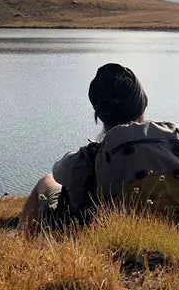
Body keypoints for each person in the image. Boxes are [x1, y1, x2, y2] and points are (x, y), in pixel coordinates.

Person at [19, 63, 152, 235]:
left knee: (46, 181)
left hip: (94, 236)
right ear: (142, 107)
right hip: (158, 232)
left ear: (100, 115)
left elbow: (58, 171)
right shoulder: (172, 147)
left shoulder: (87, 160)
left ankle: (25, 251)